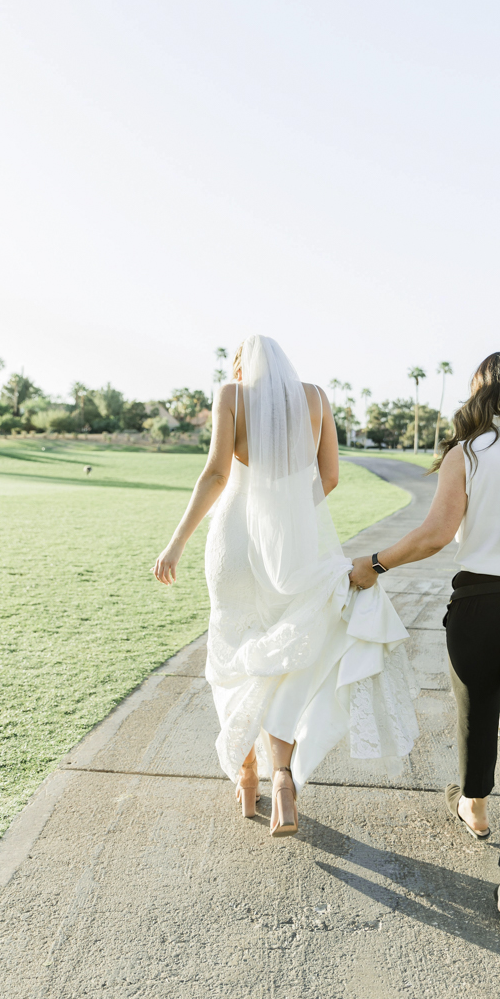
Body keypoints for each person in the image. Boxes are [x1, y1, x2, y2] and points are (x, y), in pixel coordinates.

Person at [350, 351, 500, 937]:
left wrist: (373, 564)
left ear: (482, 392)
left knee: (476, 711)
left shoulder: (469, 453)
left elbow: (435, 536)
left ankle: (476, 810)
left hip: (480, 605)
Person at [155, 334, 418, 837]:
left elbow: (215, 474)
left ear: (240, 368)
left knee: (232, 647)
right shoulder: (316, 398)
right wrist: (288, 513)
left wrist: (175, 543)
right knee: (289, 654)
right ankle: (282, 777)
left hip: (234, 538)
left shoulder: (231, 395)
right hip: (294, 543)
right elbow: (331, 477)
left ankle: (245, 769)